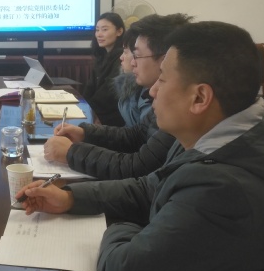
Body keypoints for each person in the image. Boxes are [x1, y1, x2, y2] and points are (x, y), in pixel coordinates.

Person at [17, 21, 264, 271]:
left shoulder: (224, 190)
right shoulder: (233, 127)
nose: (152, 91)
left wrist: (118, 226)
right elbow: (154, 185)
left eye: (164, 80)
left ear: (199, 97)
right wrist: (70, 198)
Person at [44, 13, 192, 179]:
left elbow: (138, 167)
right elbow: (136, 136)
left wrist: (71, 153)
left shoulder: (178, 107)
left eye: (136, 55)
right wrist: (85, 133)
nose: (131, 62)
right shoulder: (162, 97)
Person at [81, 12, 125, 126]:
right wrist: (82, 106)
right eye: (97, 30)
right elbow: (90, 87)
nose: (99, 34)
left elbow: (107, 95)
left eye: (104, 30)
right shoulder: (102, 56)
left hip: (110, 119)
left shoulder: (122, 58)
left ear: (119, 31)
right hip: (94, 113)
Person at [112, 27, 153, 127]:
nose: (121, 57)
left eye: (126, 52)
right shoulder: (128, 82)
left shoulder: (149, 90)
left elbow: (139, 134)